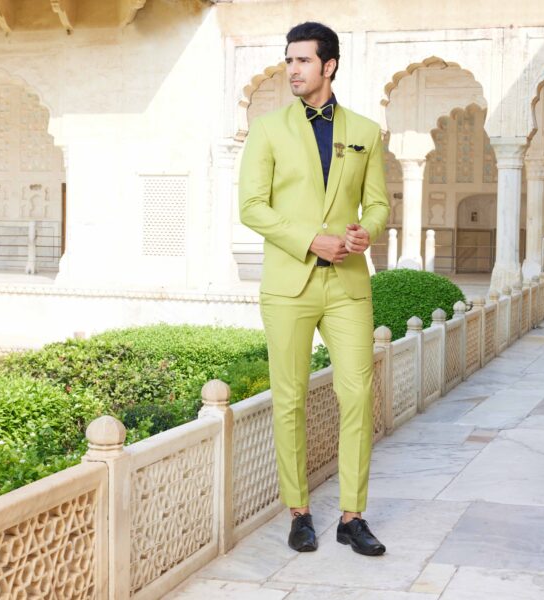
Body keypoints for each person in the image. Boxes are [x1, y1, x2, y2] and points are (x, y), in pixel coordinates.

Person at [239, 21, 390, 556]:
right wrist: (312, 240)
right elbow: (251, 207)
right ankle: (298, 511)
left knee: (358, 395)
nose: (292, 69)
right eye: (288, 60)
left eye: (303, 61)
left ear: (329, 66)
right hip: (288, 283)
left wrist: (364, 231)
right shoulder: (268, 129)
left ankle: (353, 515)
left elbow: (377, 204)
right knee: (290, 399)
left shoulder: (366, 131)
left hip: (348, 283)